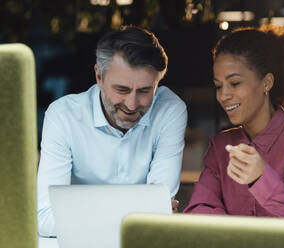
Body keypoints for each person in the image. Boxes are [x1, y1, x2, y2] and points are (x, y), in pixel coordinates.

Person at [37, 25, 187, 237]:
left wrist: (81, 217)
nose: (132, 104)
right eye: (122, 90)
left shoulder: (170, 110)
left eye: (145, 91)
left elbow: (158, 217)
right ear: (99, 77)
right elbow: (44, 218)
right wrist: (142, 212)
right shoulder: (63, 116)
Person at [183, 25, 284, 219]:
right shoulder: (221, 146)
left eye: (235, 83)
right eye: (218, 86)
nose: (223, 95)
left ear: (266, 83)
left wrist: (261, 178)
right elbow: (199, 210)